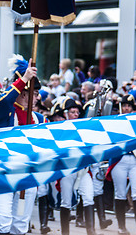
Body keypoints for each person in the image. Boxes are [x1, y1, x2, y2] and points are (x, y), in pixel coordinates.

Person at [0, 58, 44, 235]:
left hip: (26, 174)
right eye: (34, 94)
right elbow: (4, 102)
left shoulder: (38, 119)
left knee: (20, 224)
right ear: (23, 93)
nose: (38, 98)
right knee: (2, 221)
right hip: (2, 171)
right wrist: (24, 79)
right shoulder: (5, 112)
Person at [58, 98, 100, 235]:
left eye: (77, 112)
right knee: (66, 202)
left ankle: (91, 231)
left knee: (88, 197)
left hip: (83, 169)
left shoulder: (84, 129)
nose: (76, 114)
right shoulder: (60, 129)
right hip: (67, 170)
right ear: (66, 113)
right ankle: (65, 233)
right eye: (72, 112)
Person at [106, 94, 136, 235]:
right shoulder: (114, 121)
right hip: (119, 160)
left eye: (129, 106)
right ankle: (122, 227)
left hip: (135, 160)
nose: (126, 108)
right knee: (120, 193)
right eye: (125, 105)